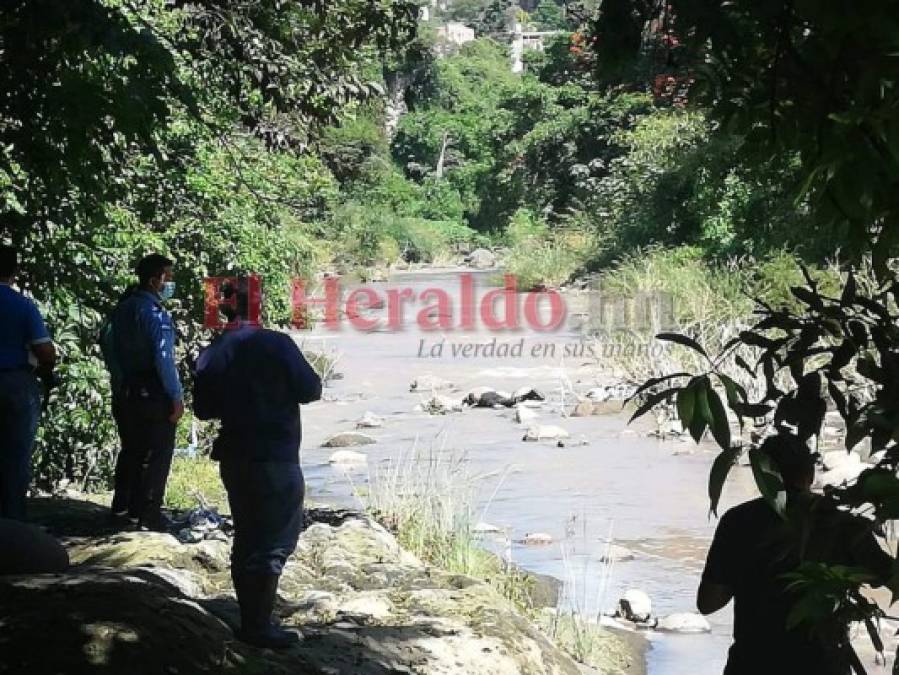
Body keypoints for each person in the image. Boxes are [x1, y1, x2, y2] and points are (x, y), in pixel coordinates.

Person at [698, 433, 896, 675]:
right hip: (822, 665)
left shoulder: (738, 521)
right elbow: (890, 577)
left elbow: (708, 603)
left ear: (761, 477)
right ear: (810, 474)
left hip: (752, 662)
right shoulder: (841, 523)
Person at [194, 282, 321, 648]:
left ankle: (251, 619)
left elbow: (204, 410)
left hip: (235, 456)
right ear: (257, 308)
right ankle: (259, 626)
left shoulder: (212, 352)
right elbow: (311, 389)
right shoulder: (277, 343)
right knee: (274, 543)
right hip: (276, 454)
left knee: (246, 537)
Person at [107, 254, 183, 531]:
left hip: (128, 387)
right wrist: (176, 396)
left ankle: (124, 507)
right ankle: (150, 512)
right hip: (153, 389)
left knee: (132, 450)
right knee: (159, 451)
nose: (171, 282)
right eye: (169, 276)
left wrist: (120, 382)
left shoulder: (123, 308)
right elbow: (163, 359)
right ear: (156, 280)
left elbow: (108, 346)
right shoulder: (154, 314)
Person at [0, 245, 56, 520]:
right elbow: (45, 350)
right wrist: (47, 368)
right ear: (14, 272)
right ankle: (12, 526)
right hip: (16, 383)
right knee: (17, 454)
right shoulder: (22, 306)